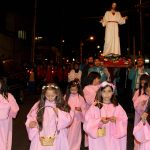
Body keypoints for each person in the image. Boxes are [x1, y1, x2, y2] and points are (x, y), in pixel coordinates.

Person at [25, 83, 73, 150]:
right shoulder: (39, 105)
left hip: (56, 136)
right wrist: (31, 123)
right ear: (44, 95)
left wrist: (59, 113)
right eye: (48, 96)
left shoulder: (62, 105)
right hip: (42, 133)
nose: (50, 98)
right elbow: (31, 116)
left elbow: (69, 120)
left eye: (52, 96)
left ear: (57, 94)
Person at [83, 81, 128, 150]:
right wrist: (99, 120)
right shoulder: (96, 106)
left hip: (113, 137)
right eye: (104, 91)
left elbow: (124, 119)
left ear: (112, 93)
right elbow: (88, 120)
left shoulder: (117, 106)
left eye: (109, 91)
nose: (107, 94)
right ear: (100, 92)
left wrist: (116, 120)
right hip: (100, 137)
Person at [65, 80, 86, 150]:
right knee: (67, 135)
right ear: (69, 89)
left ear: (78, 89)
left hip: (77, 120)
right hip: (67, 121)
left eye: (75, 89)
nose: (73, 91)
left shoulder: (81, 98)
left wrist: (81, 110)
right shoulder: (66, 97)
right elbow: (62, 108)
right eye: (72, 89)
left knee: (75, 136)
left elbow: (84, 108)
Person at [0, 77, 19, 150]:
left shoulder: (8, 96)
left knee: (4, 141)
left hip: (5, 124)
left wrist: (7, 110)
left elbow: (15, 110)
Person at [132, 74, 150, 150]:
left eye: (144, 83)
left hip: (146, 117)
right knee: (140, 133)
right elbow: (135, 105)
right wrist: (142, 105)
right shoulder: (138, 92)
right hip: (140, 116)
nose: (143, 85)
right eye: (141, 83)